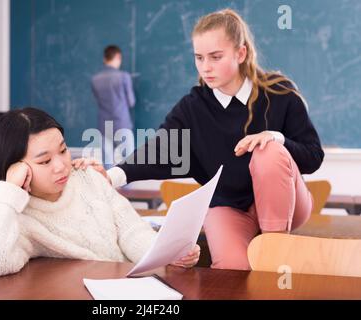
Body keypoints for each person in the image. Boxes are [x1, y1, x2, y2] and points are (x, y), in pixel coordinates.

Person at [74, 9, 324, 271]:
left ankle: (275, 249)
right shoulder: (193, 107)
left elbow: (313, 157)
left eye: (216, 57)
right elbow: (159, 149)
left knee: (268, 151)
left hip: (288, 206)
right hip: (229, 208)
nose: (206, 67)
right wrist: (111, 176)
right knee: (231, 273)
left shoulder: (279, 93)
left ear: (241, 53)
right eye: (199, 58)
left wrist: (275, 137)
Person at [0, 107, 200, 278]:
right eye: (44, 161)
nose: (61, 165)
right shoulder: (19, 218)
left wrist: (167, 253)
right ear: (16, 168)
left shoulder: (88, 178)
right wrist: (9, 193)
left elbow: (131, 231)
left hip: (125, 290)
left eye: (63, 150)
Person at [91, 45, 136, 168]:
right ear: (118, 57)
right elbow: (131, 102)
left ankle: (109, 187)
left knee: (108, 165)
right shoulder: (124, 77)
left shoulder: (95, 79)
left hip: (104, 125)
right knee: (130, 165)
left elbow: (98, 100)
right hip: (122, 123)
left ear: (105, 59)